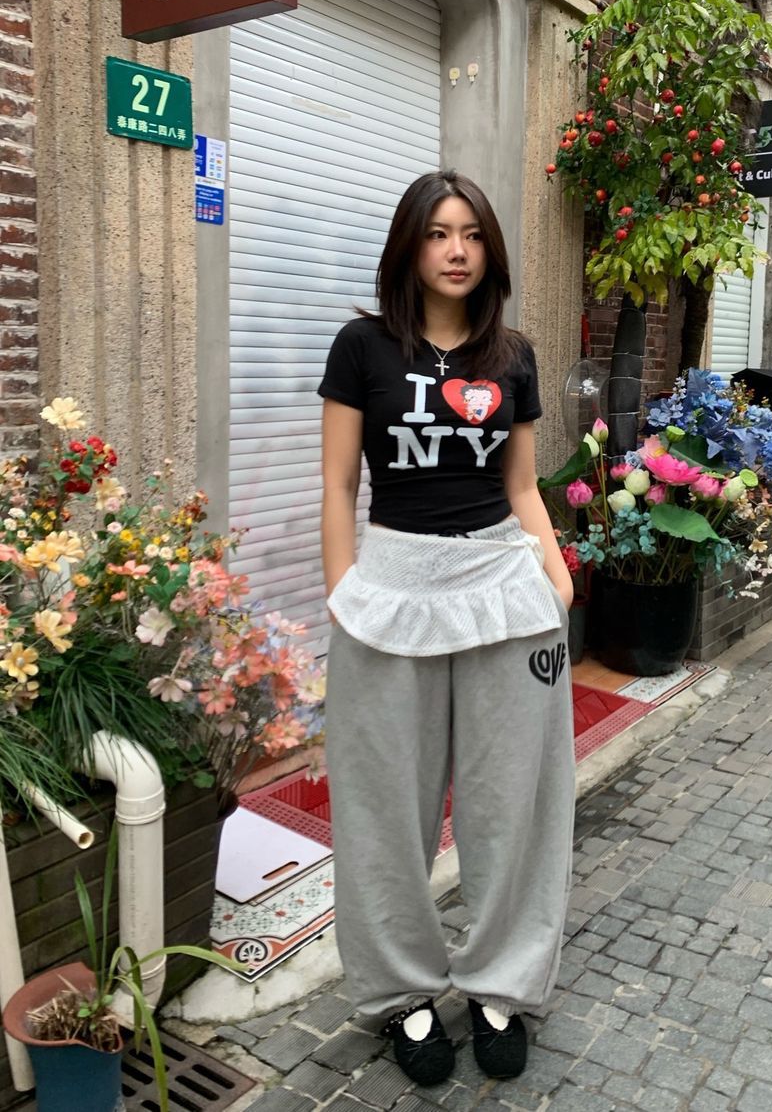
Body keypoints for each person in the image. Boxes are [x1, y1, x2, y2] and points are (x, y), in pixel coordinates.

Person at [318, 170, 576, 1088]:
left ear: (490, 251)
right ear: (410, 247)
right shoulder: (362, 347)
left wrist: (556, 576)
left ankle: (503, 983)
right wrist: (343, 590)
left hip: (504, 587)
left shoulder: (513, 355)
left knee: (515, 800)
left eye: (471, 233)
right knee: (385, 804)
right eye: (438, 233)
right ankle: (404, 990)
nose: (457, 250)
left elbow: (521, 486)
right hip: (392, 590)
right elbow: (338, 484)